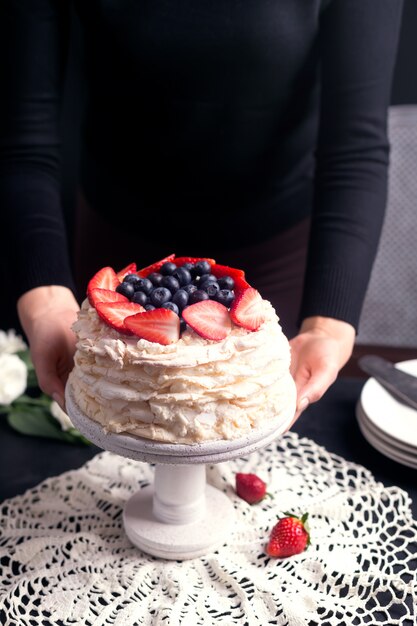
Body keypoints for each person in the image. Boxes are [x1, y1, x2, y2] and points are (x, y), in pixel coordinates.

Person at [0, 0, 403, 424]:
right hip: (119, 269)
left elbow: (355, 151)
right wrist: (46, 304)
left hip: (271, 265)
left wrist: (327, 328)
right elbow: (24, 144)